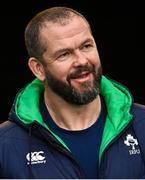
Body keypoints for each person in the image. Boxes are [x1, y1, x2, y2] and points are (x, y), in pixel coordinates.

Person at [0, 6, 145, 179]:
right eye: (64, 54)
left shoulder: (142, 125)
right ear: (38, 69)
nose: (82, 61)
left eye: (86, 46)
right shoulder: (5, 145)